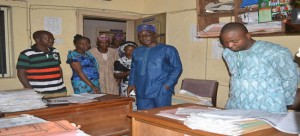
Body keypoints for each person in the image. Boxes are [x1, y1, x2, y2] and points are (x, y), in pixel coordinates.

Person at [219, 22, 299, 113]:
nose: (230, 46)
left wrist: (285, 102)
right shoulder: (228, 53)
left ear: (248, 36)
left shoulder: (275, 52)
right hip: (236, 106)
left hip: (268, 109)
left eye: (234, 41)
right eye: (226, 42)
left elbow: (291, 78)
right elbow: (236, 76)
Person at [127, 24, 183, 110]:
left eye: (147, 35)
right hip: (141, 90)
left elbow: (177, 68)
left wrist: (167, 85)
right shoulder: (137, 51)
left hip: (160, 90)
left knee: (161, 117)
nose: (143, 38)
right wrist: (131, 83)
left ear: (155, 35)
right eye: (140, 36)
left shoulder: (168, 49)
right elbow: (134, 68)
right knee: (144, 117)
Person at [16, 30, 67, 98]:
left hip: (59, 91)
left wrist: (61, 82)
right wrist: (30, 90)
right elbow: (21, 73)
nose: (52, 41)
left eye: (52, 39)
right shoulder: (26, 54)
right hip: (39, 93)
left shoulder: (55, 51)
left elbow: (58, 67)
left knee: (63, 108)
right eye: (48, 39)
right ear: (38, 40)